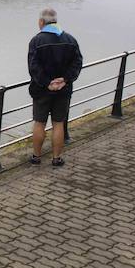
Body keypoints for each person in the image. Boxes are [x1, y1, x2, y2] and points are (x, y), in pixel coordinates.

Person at [27, 8, 83, 167]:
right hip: (63, 91)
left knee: (39, 122)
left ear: (41, 22)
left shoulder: (36, 41)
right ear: (56, 21)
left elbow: (33, 67)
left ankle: (36, 157)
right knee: (58, 123)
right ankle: (56, 158)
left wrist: (47, 83)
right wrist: (65, 79)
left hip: (41, 90)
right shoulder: (70, 40)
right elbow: (77, 63)